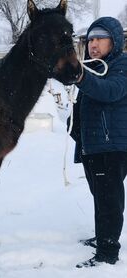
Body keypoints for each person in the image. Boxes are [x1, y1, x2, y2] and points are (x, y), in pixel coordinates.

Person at [69, 16, 127, 268]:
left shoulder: (121, 65)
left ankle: (107, 252)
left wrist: (80, 76)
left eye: (100, 38)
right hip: (92, 144)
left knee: (109, 200)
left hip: (111, 145)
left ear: (114, 41)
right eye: (90, 39)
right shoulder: (94, 67)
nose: (94, 44)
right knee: (99, 196)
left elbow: (110, 91)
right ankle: (102, 237)